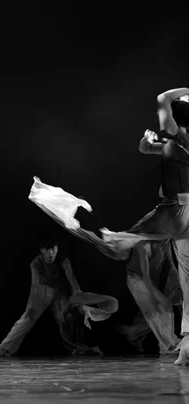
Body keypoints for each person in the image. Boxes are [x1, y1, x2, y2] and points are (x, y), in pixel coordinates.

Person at [28, 88, 189, 365]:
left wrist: (185, 91)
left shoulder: (177, 136)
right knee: (186, 280)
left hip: (174, 211)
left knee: (115, 245)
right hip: (183, 217)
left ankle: (62, 212)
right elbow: (146, 148)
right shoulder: (173, 146)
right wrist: (146, 140)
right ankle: (185, 345)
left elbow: (163, 97)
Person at [0, 235, 118, 357]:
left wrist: (77, 294)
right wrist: (33, 308)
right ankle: (5, 348)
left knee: (66, 318)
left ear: (57, 249)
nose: (51, 253)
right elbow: (35, 287)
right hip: (41, 293)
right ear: (42, 250)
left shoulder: (63, 259)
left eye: (53, 249)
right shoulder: (36, 263)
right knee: (27, 319)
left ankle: (80, 347)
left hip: (59, 294)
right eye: (47, 249)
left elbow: (72, 280)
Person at [117, 240, 182, 354]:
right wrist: (155, 296)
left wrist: (178, 286)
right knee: (161, 306)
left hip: (149, 280)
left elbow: (170, 266)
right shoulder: (144, 245)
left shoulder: (165, 243)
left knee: (160, 309)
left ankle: (134, 335)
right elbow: (145, 274)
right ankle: (167, 346)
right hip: (136, 279)